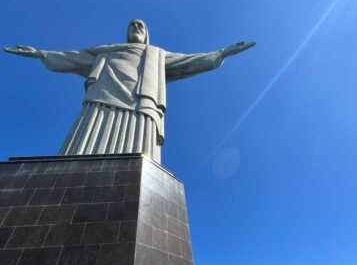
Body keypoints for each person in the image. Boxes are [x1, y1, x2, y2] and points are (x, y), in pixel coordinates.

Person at [4, 20, 255, 164]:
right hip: (102, 101)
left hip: (141, 105)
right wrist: (39, 53)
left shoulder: (157, 55)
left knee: (140, 157)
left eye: (141, 26)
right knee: (82, 148)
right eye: (132, 25)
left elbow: (188, 61)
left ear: (146, 35)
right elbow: (71, 58)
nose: (136, 26)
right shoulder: (106, 52)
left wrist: (220, 54)